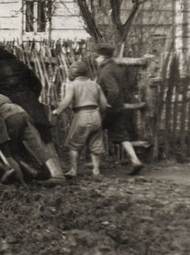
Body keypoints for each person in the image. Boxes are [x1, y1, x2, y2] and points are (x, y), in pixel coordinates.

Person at [0, 42, 53, 147]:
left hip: (10, 113)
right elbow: (36, 84)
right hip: (34, 108)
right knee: (45, 139)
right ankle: (56, 162)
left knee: (16, 146)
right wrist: (31, 98)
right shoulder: (19, 64)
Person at [52, 60, 108, 177]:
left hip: (82, 115)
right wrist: (99, 114)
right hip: (95, 115)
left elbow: (67, 101)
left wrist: (58, 111)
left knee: (74, 145)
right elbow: (103, 104)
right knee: (95, 143)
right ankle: (96, 170)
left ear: (73, 73)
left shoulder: (73, 85)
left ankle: (73, 170)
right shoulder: (95, 84)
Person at [94, 44, 144, 175]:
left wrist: (108, 104)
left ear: (103, 58)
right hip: (120, 107)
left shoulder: (105, 71)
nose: (96, 60)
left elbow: (114, 90)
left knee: (95, 130)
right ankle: (135, 160)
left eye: (97, 57)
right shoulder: (116, 68)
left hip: (110, 109)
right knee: (121, 135)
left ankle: (95, 166)